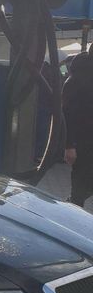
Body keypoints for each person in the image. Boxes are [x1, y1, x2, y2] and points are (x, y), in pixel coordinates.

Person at [62, 45, 93, 207]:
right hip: (83, 141)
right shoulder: (76, 79)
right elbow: (67, 114)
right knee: (80, 186)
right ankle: (73, 209)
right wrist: (69, 145)